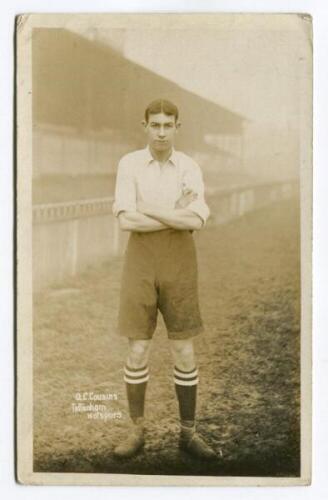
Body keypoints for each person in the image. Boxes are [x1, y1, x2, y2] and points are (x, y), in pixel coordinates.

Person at [112, 98, 216, 460]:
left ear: (177, 127)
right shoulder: (129, 164)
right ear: (145, 127)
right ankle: (136, 429)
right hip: (140, 259)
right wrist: (175, 212)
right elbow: (127, 220)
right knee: (138, 347)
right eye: (153, 124)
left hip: (179, 260)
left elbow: (197, 220)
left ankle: (188, 433)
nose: (160, 132)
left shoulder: (189, 167)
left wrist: (153, 210)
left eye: (166, 125)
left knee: (184, 349)